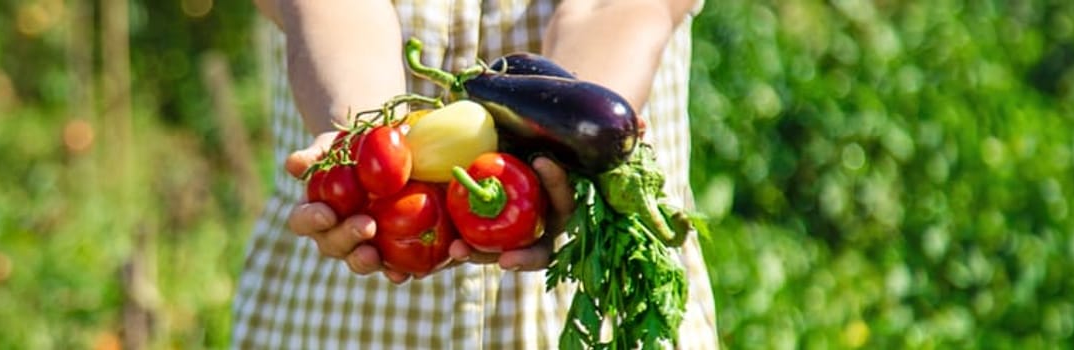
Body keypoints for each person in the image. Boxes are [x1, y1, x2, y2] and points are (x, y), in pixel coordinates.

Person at [233, 0, 714, 348]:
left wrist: (571, 144)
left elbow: (607, 7)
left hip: (590, 282)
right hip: (342, 316)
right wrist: (369, 140)